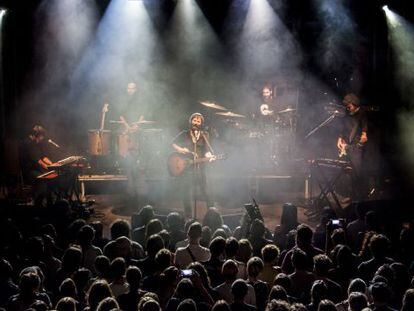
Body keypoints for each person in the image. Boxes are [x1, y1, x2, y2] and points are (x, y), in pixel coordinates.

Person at [171, 112, 216, 217]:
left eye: (198, 121)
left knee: (206, 191)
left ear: (201, 123)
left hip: (200, 168)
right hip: (186, 168)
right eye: (194, 120)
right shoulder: (185, 133)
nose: (196, 122)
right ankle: (188, 216)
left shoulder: (205, 135)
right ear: (191, 121)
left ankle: (212, 215)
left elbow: (207, 150)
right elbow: (172, 143)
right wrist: (181, 150)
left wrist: (209, 156)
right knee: (186, 192)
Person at [336, 93, 368, 199]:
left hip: (356, 149)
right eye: (346, 107)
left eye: (349, 106)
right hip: (347, 147)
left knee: (356, 174)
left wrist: (358, 145)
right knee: (347, 173)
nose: (348, 109)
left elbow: (364, 136)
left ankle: (358, 197)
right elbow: (343, 129)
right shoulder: (347, 115)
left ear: (354, 104)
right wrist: (340, 139)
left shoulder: (363, 115)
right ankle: (349, 195)